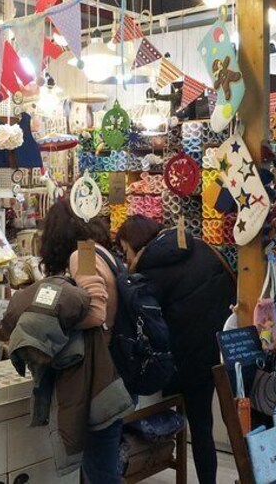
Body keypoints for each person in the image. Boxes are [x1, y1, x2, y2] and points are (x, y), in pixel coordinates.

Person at [116, 216, 237, 484]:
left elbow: (149, 323)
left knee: (195, 424)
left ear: (135, 244)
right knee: (229, 423)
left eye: (125, 251)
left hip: (188, 360)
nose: (126, 259)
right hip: (226, 346)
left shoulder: (149, 271)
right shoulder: (198, 245)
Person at [39, 199, 126, 483]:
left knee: (100, 468)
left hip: (103, 371)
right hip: (117, 365)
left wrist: (56, 322)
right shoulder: (102, 251)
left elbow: (97, 312)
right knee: (104, 462)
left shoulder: (83, 254)